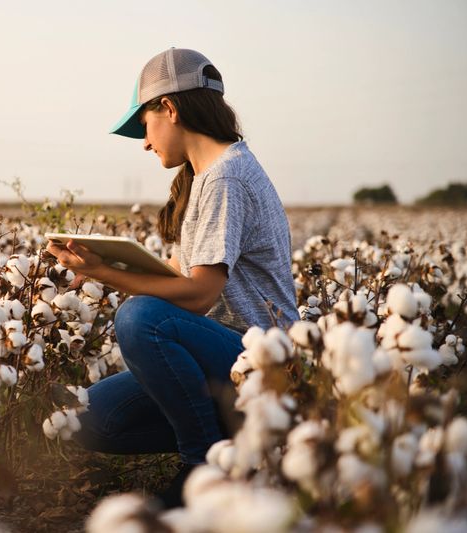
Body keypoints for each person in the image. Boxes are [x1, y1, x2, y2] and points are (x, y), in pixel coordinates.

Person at [46, 48, 297, 508]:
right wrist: (111, 265)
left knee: (141, 318)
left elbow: (199, 294)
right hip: (222, 351)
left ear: (170, 108)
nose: (144, 142)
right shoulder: (208, 177)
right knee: (85, 416)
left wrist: (104, 272)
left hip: (260, 361)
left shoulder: (226, 178)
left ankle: (204, 465)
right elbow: (186, 280)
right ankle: (239, 442)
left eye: (144, 126)